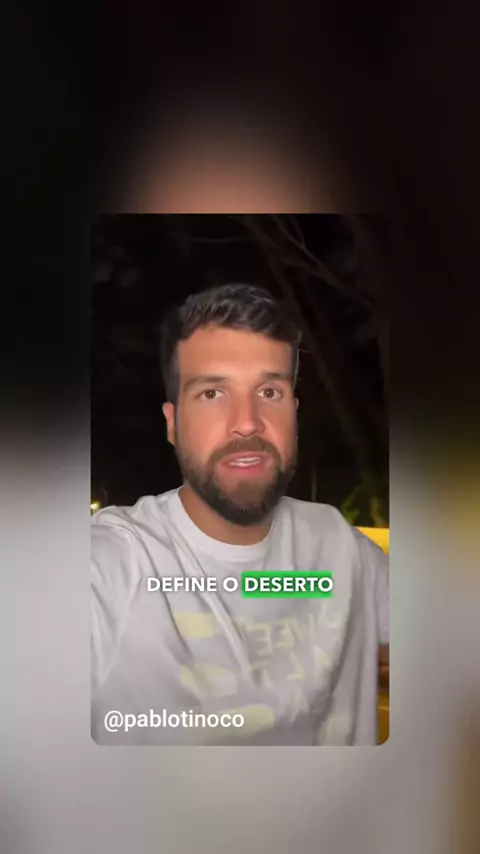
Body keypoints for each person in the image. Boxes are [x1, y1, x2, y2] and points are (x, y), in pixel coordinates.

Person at [91, 283, 389, 745]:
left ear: (293, 413)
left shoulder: (340, 545)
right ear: (172, 424)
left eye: (269, 391)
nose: (247, 421)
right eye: (212, 393)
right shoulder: (116, 559)